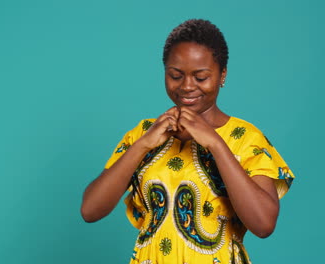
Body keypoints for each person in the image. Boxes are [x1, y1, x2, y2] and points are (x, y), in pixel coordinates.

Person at [81, 19, 295, 264]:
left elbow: (263, 224)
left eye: (201, 77)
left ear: (222, 74)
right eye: (176, 75)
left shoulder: (246, 138)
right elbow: (90, 210)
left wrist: (215, 143)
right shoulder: (143, 133)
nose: (187, 86)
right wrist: (143, 145)